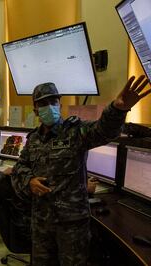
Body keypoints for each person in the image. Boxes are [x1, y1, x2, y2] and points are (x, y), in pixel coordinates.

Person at [10, 76, 150, 266]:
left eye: (53, 101)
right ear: (35, 109)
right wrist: (29, 182)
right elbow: (20, 167)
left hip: (73, 225)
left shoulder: (76, 132)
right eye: (43, 103)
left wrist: (118, 109)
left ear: (59, 105)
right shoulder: (33, 139)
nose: (49, 106)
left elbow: (103, 131)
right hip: (41, 223)